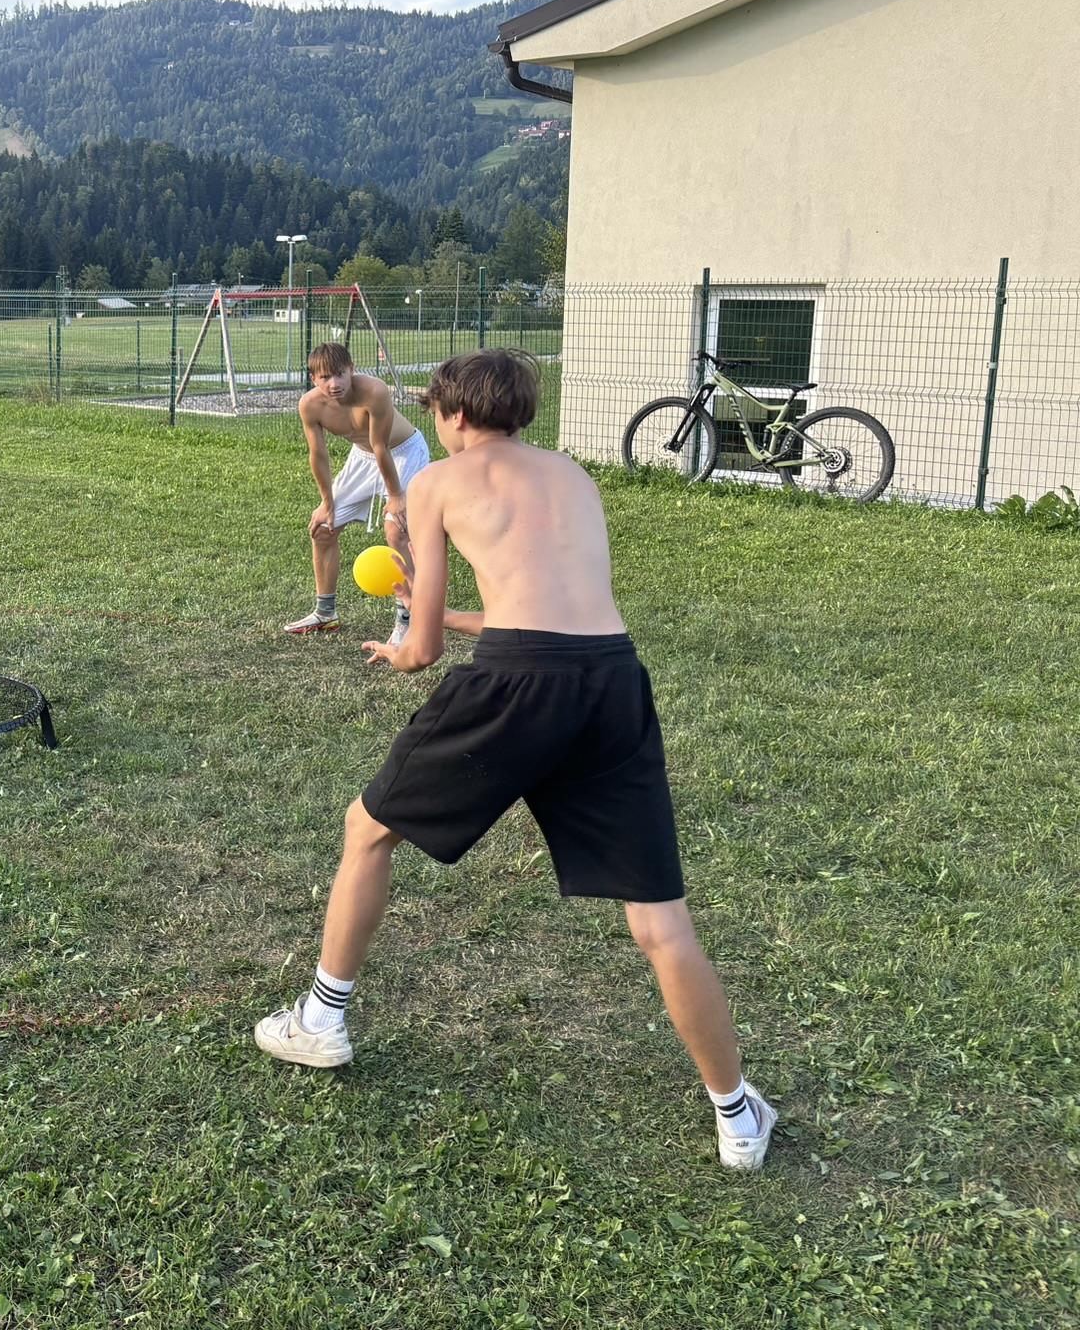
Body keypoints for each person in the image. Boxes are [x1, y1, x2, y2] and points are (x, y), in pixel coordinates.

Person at [254, 348, 776, 1170]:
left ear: (456, 414)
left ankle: (320, 1021)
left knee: (368, 828)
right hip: (611, 681)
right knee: (659, 921)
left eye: (436, 412)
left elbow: (424, 651)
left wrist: (402, 639)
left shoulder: (438, 483)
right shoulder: (573, 476)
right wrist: (441, 609)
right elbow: (537, 610)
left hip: (515, 686)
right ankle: (737, 1115)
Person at [282, 342, 430, 647]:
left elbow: (381, 446)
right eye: (325, 377)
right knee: (323, 529)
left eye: (340, 374)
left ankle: (408, 620)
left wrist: (396, 495)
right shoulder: (309, 405)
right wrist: (326, 503)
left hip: (403, 453)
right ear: (313, 379)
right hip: (362, 458)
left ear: (352, 370)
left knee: (397, 531)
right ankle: (325, 613)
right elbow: (318, 455)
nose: (333, 383)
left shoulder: (374, 391)